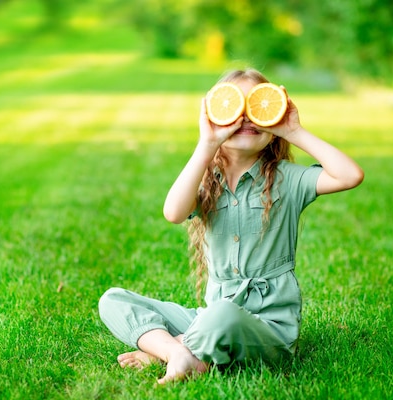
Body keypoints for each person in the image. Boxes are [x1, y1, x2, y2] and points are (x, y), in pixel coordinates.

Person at [98, 69, 364, 384]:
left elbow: (350, 175)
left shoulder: (287, 179)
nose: (247, 119)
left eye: (257, 109)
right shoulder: (207, 181)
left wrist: (293, 131)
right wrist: (206, 144)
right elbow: (173, 212)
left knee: (222, 316)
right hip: (211, 318)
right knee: (113, 300)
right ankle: (180, 353)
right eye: (234, 110)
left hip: (268, 331)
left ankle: (172, 350)